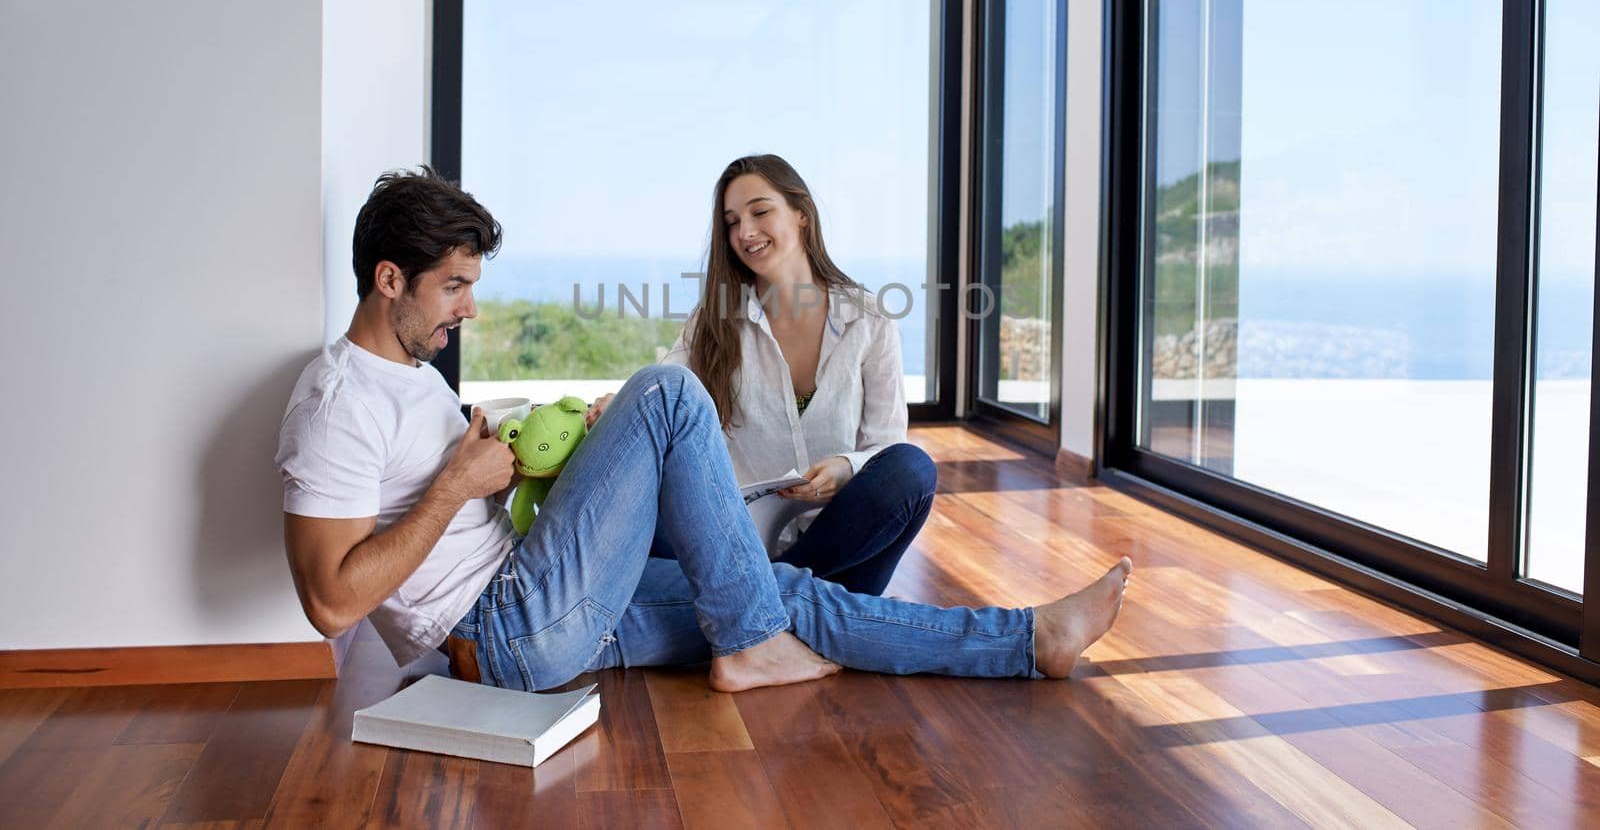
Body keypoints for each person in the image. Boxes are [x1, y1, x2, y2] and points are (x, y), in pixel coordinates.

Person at [279, 167, 1131, 693]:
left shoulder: (410, 376)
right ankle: (752, 646)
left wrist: (527, 443)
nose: (469, 307)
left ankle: (1030, 640)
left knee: (781, 593)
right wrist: (454, 489)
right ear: (390, 279)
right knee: (668, 393)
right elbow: (330, 603)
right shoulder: (336, 402)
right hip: (505, 631)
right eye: (454, 286)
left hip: (543, 601)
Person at [603, 154, 936, 596]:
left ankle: (762, 603)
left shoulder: (868, 320)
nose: (746, 232)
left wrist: (845, 467)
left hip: (838, 547)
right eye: (732, 221)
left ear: (801, 214)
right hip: (735, 547)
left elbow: (885, 445)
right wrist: (620, 404)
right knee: (647, 506)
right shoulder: (714, 322)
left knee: (912, 469)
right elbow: (666, 389)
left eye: (760, 212)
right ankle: (799, 610)